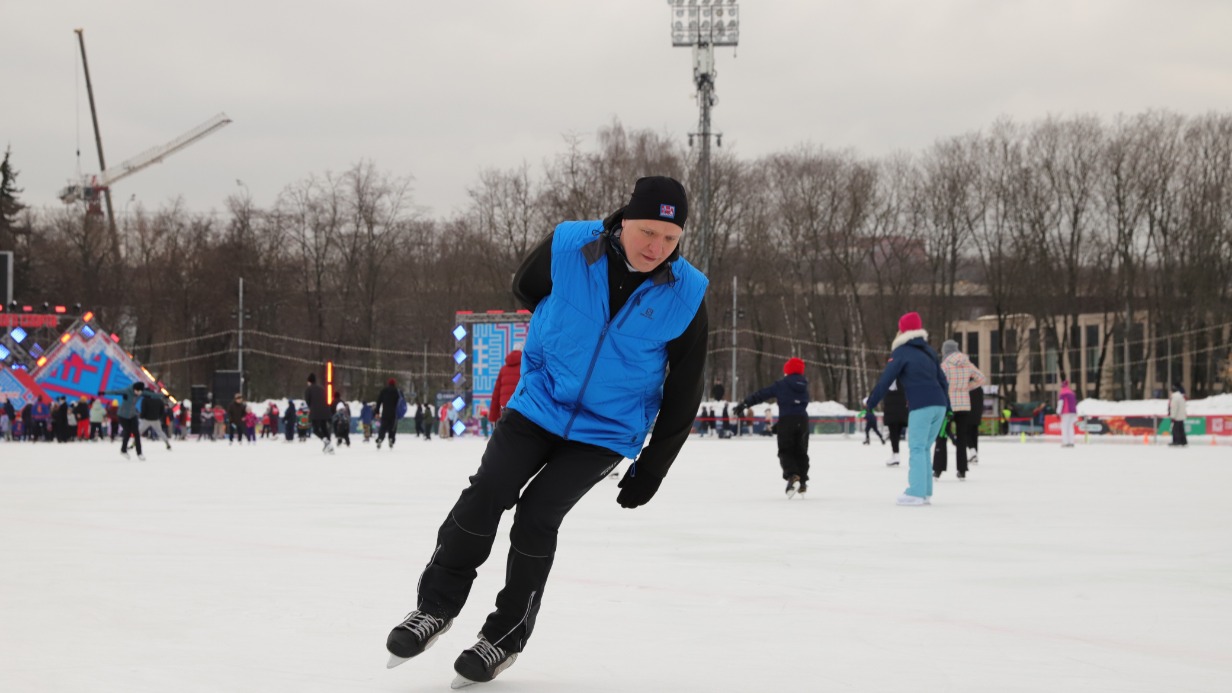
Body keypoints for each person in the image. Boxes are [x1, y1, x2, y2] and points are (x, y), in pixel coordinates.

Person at [384, 175, 708, 687]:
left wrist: (653, 467)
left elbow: (687, 386)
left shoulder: (686, 293)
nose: (657, 247)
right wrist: (563, 334)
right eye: (648, 231)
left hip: (606, 430)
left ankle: (502, 637)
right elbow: (527, 286)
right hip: (541, 401)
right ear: (624, 220)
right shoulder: (572, 245)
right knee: (489, 490)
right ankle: (434, 609)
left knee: (537, 515)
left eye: (670, 238)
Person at [865, 312, 950, 506]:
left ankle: (916, 492)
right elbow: (942, 381)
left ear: (902, 330)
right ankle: (926, 491)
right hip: (939, 405)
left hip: (922, 405)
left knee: (917, 447)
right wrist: (948, 406)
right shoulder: (929, 351)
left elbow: (886, 380)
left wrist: (870, 402)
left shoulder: (901, 352)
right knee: (924, 448)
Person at [734, 357, 811, 496]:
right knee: (801, 451)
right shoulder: (804, 384)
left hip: (787, 420)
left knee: (785, 451)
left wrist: (745, 403)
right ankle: (803, 481)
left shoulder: (782, 384)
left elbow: (762, 394)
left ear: (787, 370)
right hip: (803, 422)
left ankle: (793, 475)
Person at [933, 340, 985, 480]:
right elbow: (981, 378)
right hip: (964, 406)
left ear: (945, 351)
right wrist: (968, 387)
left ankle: (938, 469)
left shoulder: (944, 366)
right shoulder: (967, 363)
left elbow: (937, 383)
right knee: (962, 438)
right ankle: (962, 470)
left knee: (942, 436)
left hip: (948, 407)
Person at [101, 381, 151, 459]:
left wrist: (163, 396)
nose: (138, 393)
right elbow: (115, 392)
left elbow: (151, 394)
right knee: (127, 432)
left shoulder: (141, 392)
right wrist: (104, 392)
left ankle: (139, 453)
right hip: (122, 415)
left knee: (136, 434)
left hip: (132, 415)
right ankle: (123, 450)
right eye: (137, 391)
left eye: (140, 392)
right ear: (134, 389)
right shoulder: (127, 391)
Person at [488, 349, 522, 430]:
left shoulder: (503, 369)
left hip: (504, 409)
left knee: (505, 436)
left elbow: (496, 395)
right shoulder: (525, 368)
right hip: (520, 409)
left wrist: (493, 416)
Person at [137, 388, 173, 452]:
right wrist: (159, 417)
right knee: (160, 432)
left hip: (146, 419)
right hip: (155, 419)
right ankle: (167, 443)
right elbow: (162, 411)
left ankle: (134, 443)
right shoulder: (159, 400)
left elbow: (143, 410)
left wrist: (141, 417)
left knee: (139, 432)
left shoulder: (145, 400)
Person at [305, 374, 333, 453]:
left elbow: (308, 401)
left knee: (316, 429)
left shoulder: (309, 389)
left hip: (315, 412)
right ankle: (328, 445)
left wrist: (312, 408)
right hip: (325, 411)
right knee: (324, 428)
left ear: (309, 381)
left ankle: (326, 442)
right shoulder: (322, 388)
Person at [883, 382, 908, 466]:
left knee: (893, 435)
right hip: (902, 413)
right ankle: (895, 454)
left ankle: (895, 454)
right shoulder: (904, 382)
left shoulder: (888, 381)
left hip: (892, 414)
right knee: (896, 435)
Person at [374, 378, 402, 450]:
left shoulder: (384, 391)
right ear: (394, 383)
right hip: (393, 413)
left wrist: (377, 412)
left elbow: (379, 401)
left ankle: (380, 438)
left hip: (385, 413)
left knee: (383, 427)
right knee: (392, 428)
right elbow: (400, 403)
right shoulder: (396, 391)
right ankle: (391, 439)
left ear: (388, 383)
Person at [1057, 380, 1078, 448]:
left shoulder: (1063, 393)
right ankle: (1071, 442)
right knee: (1070, 427)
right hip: (1073, 412)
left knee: (1064, 427)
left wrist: (1058, 412)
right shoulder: (1071, 393)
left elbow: (1061, 403)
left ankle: (1065, 442)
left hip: (1066, 412)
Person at [1168, 383, 1188, 447]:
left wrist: (1172, 417)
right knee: (1181, 429)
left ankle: (1176, 441)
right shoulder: (1180, 396)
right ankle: (1183, 441)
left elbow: (1174, 407)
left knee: (1175, 430)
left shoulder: (1174, 397)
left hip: (1176, 416)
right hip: (1181, 416)